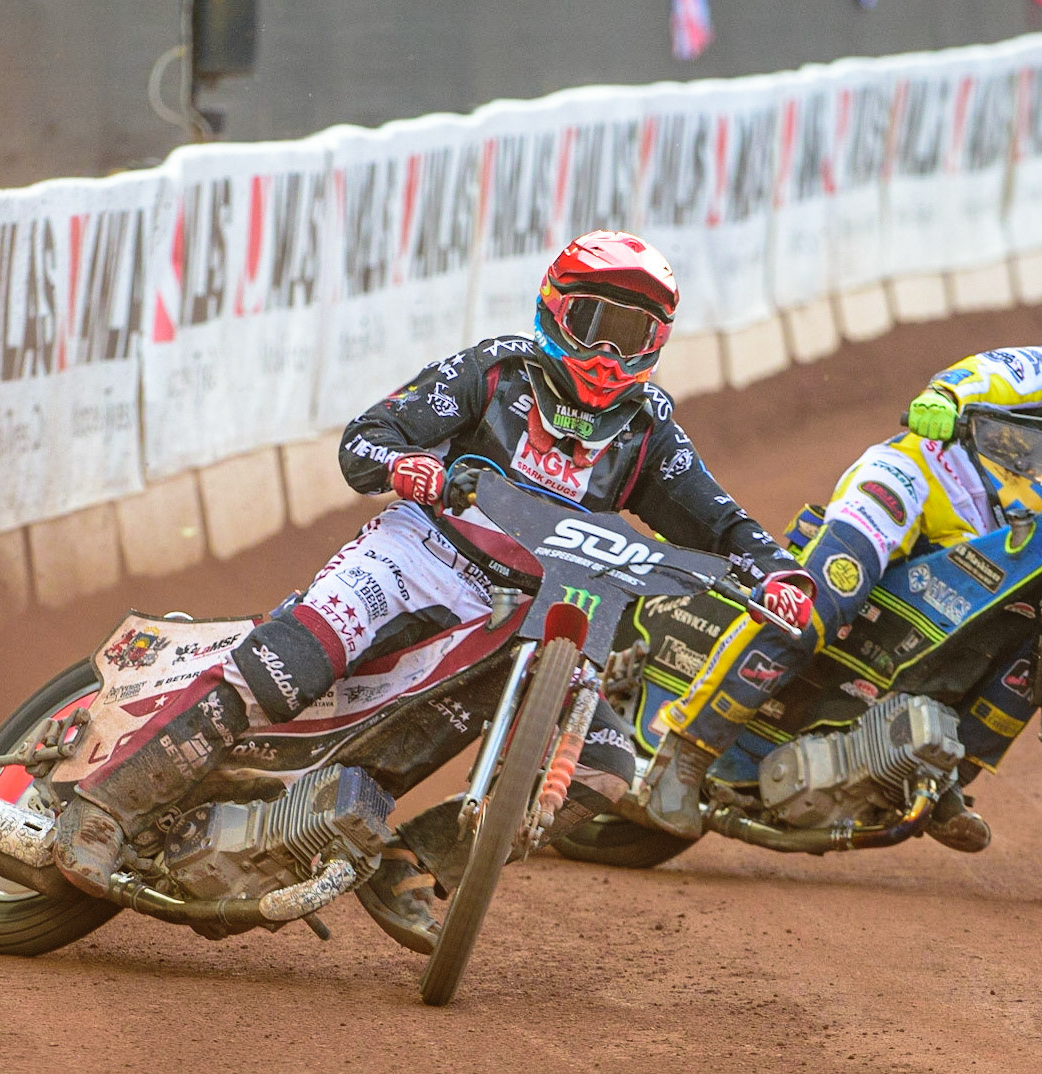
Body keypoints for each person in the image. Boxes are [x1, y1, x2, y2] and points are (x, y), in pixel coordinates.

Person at [51, 230, 815, 952]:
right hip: (424, 553)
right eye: (593, 323)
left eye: (634, 334)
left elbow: (720, 522)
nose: (609, 351)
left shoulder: (648, 431)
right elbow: (365, 439)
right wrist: (407, 465)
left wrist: (778, 571)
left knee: (605, 771)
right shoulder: (494, 371)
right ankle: (105, 806)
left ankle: (409, 864)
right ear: (555, 310)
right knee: (288, 667)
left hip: (546, 604)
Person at [641, 304, 1042, 850]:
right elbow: (994, 373)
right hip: (925, 481)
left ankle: (939, 778)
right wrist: (946, 396)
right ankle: (685, 755)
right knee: (823, 595)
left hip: (1002, 557)